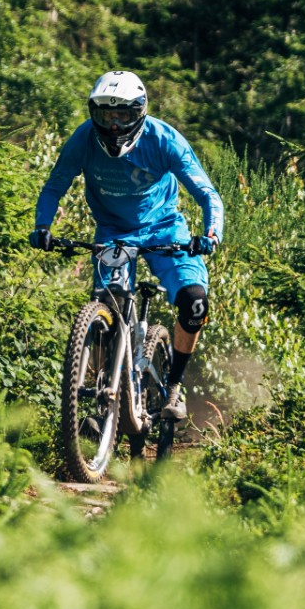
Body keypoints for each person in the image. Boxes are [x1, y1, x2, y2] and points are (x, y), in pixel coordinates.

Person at [28, 70, 224, 421]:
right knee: (105, 310)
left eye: (124, 115)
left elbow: (207, 193)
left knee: (194, 304)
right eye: (106, 115)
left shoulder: (165, 140)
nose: (115, 125)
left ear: (140, 113)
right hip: (114, 232)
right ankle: (105, 404)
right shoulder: (84, 139)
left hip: (166, 231)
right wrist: (43, 226)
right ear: (94, 114)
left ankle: (174, 388)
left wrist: (211, 234)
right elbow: (54, 185)